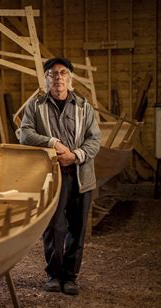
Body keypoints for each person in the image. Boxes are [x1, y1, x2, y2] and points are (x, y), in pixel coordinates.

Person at [19, 57, 101, 295]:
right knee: (54, 226)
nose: (58, 78)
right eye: (53, 74)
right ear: (46, 79)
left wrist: (75, 155)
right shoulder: (36, 106)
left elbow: (95, 140)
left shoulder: (84, 107)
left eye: (63, 73)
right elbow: (25, 135)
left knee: (77, 226)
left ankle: (70, 276)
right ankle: (54, 275)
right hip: (51, 176)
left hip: (80, 174)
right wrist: (53, 142)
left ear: (69, 78)